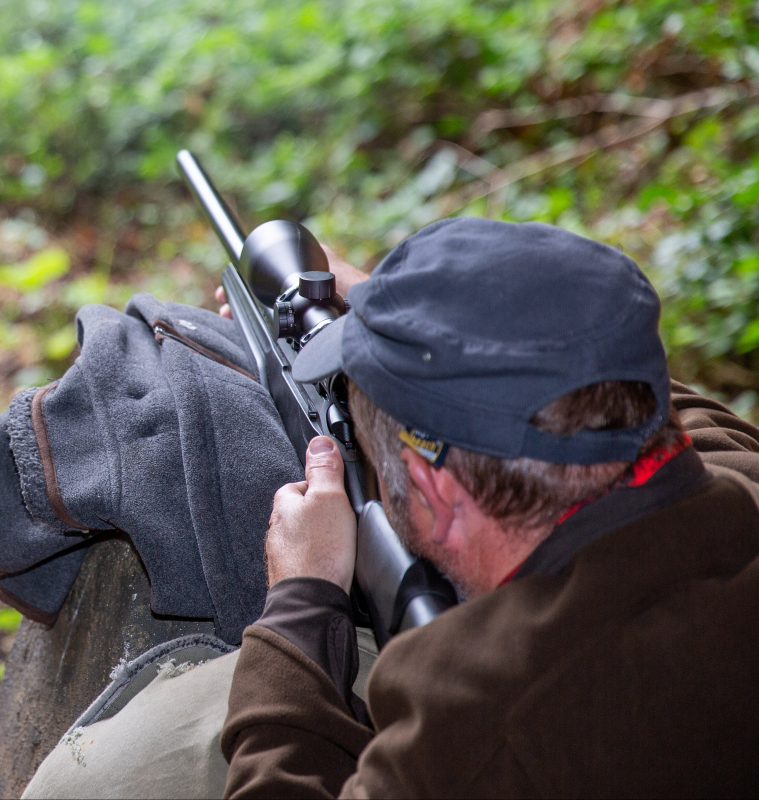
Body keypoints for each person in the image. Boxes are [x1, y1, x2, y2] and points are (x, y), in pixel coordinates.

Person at [218, 218, 759, 797]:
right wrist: (393, 305)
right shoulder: (738, 477)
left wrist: (299, 601)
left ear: (435, 489)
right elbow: (665, 402)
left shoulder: (472, 731)